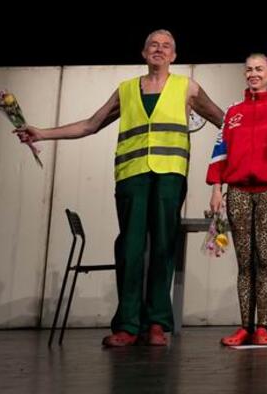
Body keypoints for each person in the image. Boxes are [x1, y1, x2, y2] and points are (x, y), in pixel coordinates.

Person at [16, 29, 224, 347]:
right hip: (131, 175)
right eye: (153, 44)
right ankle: (127, 324)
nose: (159, 49)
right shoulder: (126, 89)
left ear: (174, 56)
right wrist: (42, 133)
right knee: (130, 247)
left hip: (170, 175)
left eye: (166, 46)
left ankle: (157, 323)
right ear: (143, 52)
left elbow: (226, 122)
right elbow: (90, 124)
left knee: (164, 246)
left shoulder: (188, 87)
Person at [206, 53, 267, 346]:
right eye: (249, 69)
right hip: (238, 192)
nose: (253, 74)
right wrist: (216, 188)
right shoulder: (233, 111)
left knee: (265, 259)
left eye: (259, 69)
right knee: (244, 262)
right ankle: (244, 327)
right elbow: (221, 150)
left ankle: (262, 327)